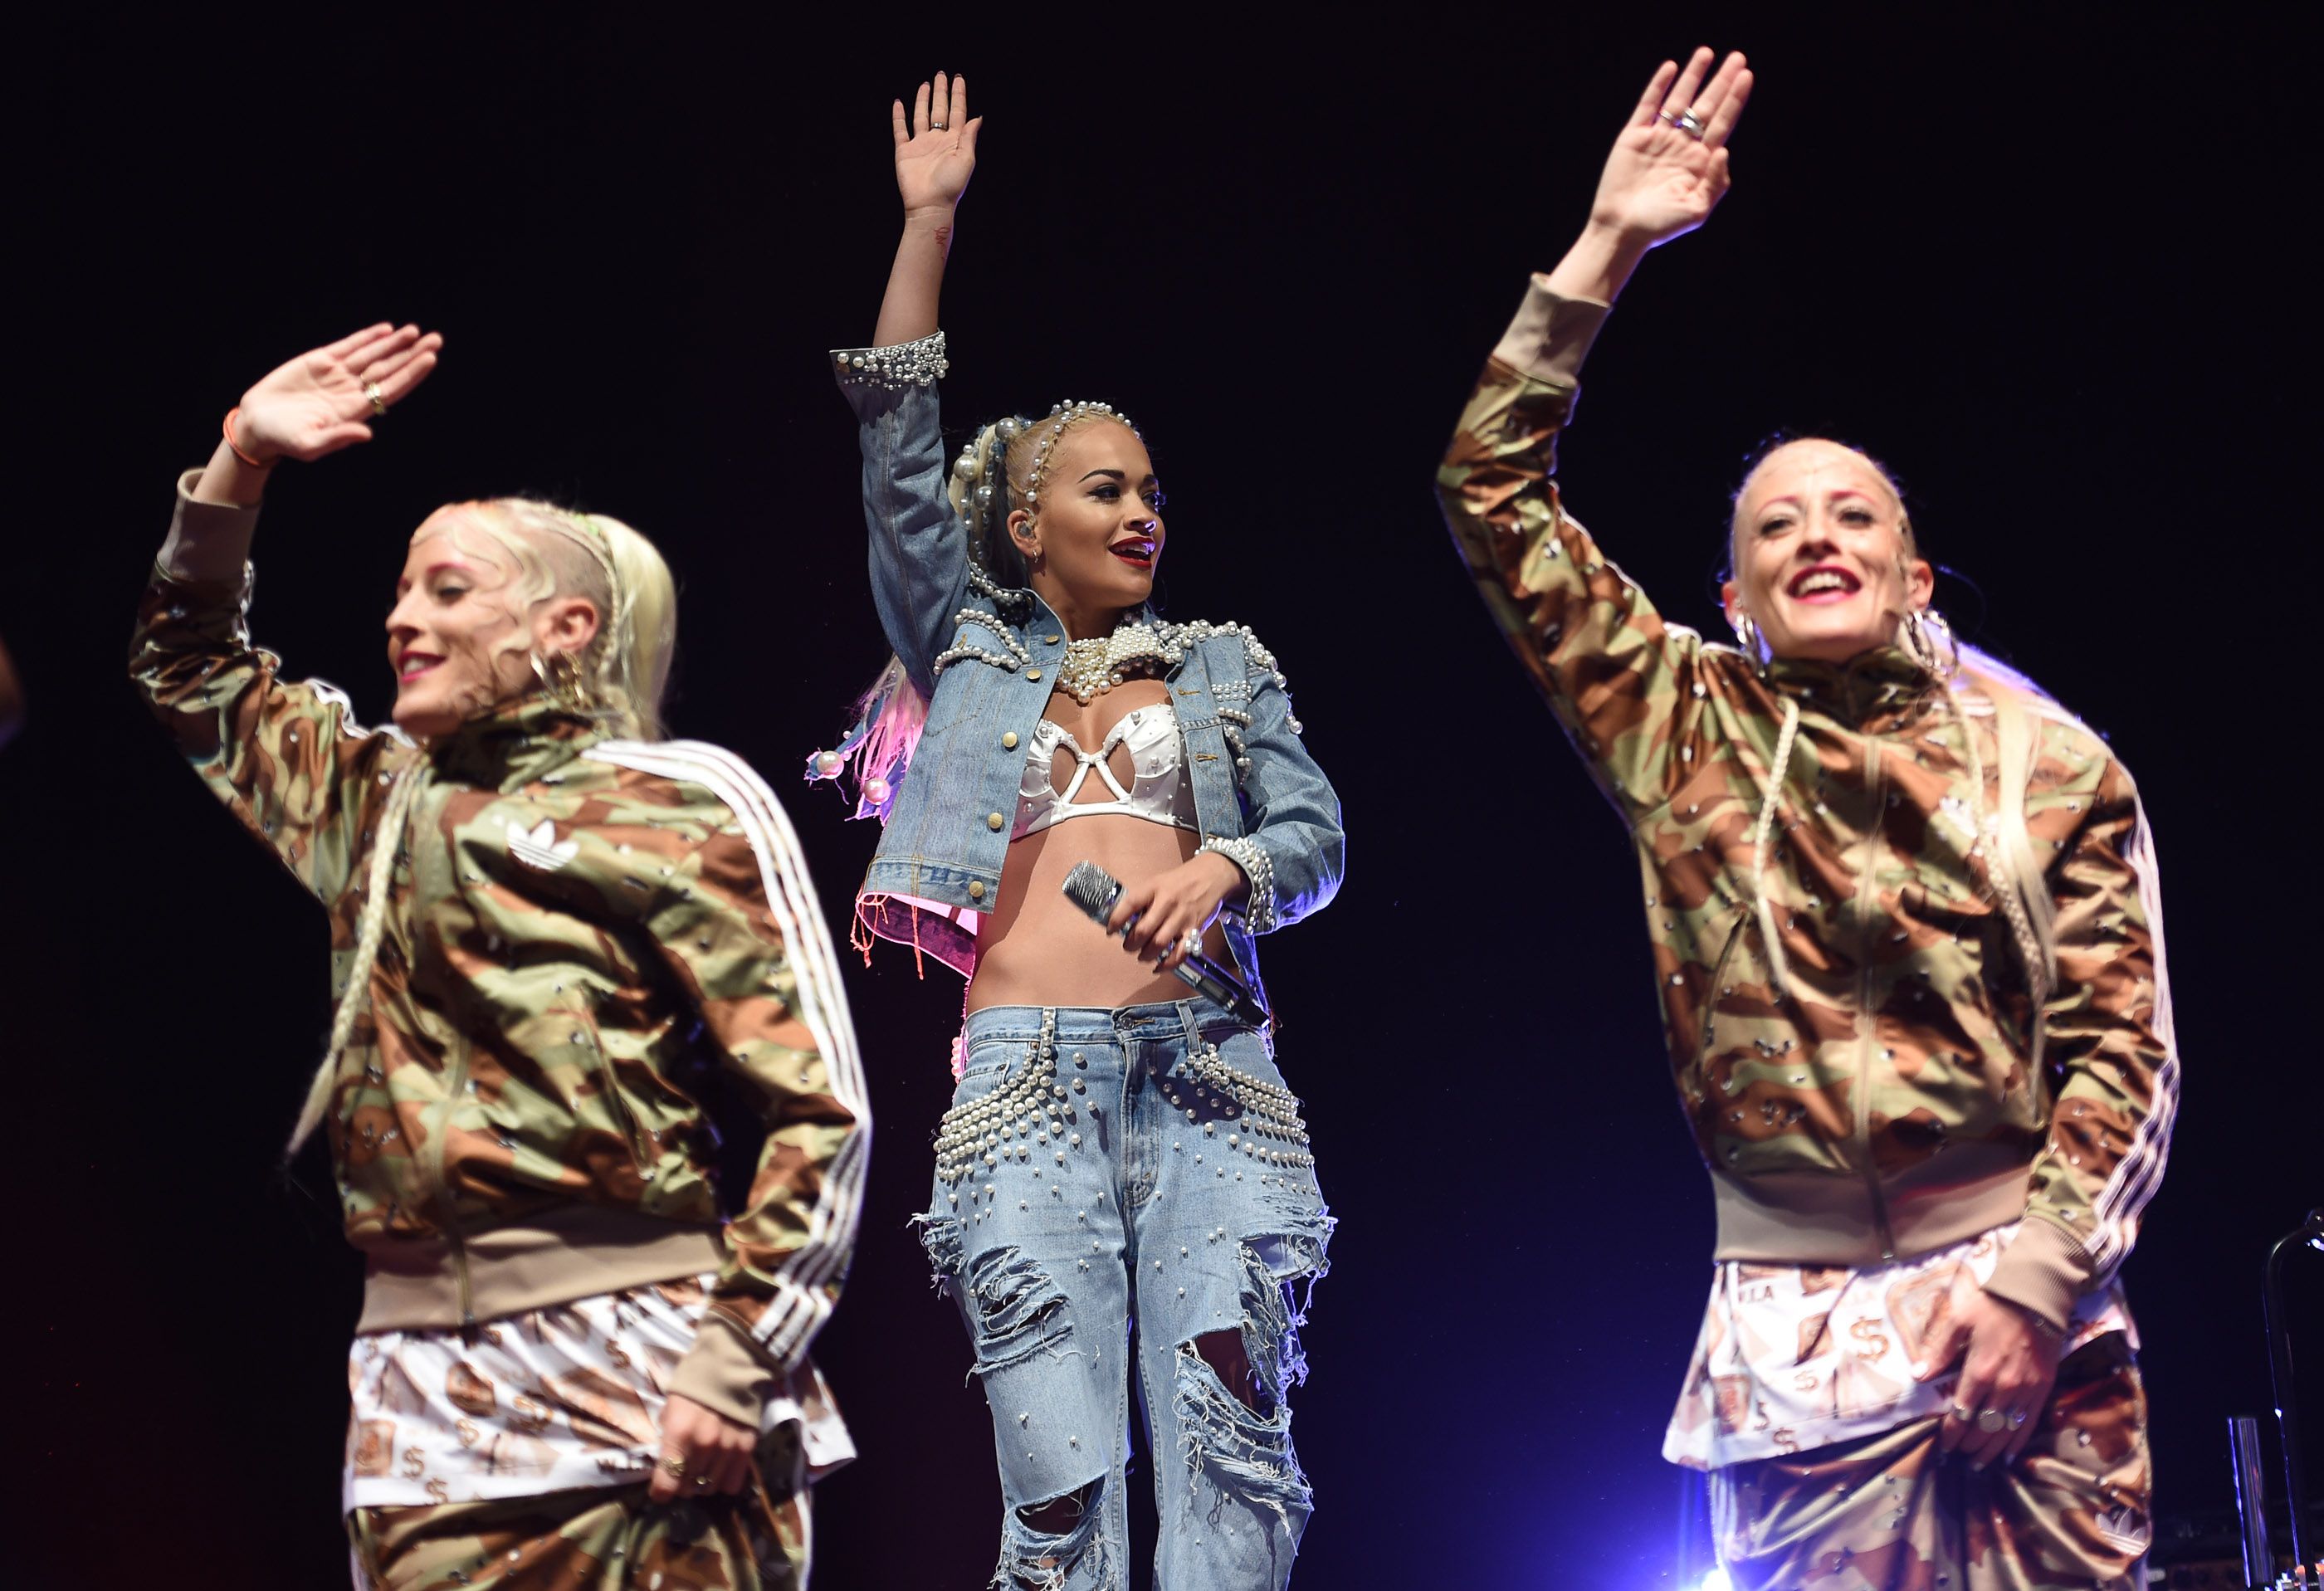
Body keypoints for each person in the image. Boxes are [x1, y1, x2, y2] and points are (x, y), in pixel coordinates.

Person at [1434, 50, 2175, 1591]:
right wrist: (1608, 248)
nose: (1816, 533)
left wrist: (2035, 1289)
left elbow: (2130, 1049)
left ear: (1915, 576)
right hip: (1794, 1326)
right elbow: (1488, 495)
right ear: (1736, 598)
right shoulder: (1680, 721)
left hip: (2024, 1302)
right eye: (1777, 521)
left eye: (1855, 516)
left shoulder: (2050, 764)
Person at [134, 323, 866, 1589]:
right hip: (424, 1402)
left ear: (567, 627)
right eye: (404, 589)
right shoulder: (369, 798)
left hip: (651, 1368)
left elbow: (821, 1110)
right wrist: (239, 459)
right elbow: (187, 667)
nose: (400, 617)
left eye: (448, 591)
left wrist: (737, 1356)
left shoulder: (679, 801)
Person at [813, 71, 1343, 1591]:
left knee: (1236, 1454)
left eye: (1154, 492)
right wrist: (928, 223)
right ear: (1026, 525)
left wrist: (1230, 863)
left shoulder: (1228, 665)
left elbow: (1316, 828)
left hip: (1212, 1088)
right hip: (1029, 1096)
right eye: (1105, 489)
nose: (1142, 511)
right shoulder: (965, 650)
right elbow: (898, 453)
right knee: (1060, 1500)